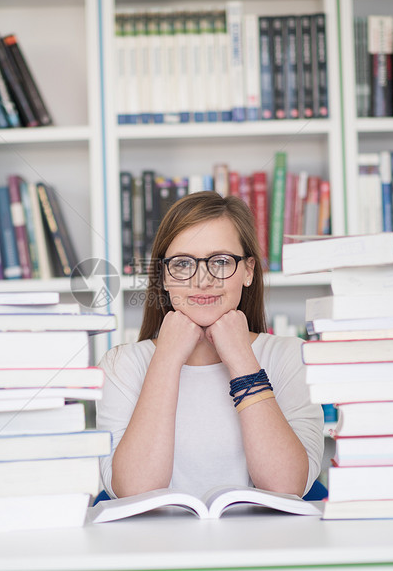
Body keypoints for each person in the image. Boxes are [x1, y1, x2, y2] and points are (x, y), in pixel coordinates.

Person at [96, 191, 323, 500]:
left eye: (220, 261)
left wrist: (242, 359)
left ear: (248, 271)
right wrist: (167, 358)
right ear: (162, 276)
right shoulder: (122, 364)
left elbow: (287, 487)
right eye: (183, 264)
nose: (203, 280)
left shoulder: (290, 356)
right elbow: (134, 492)